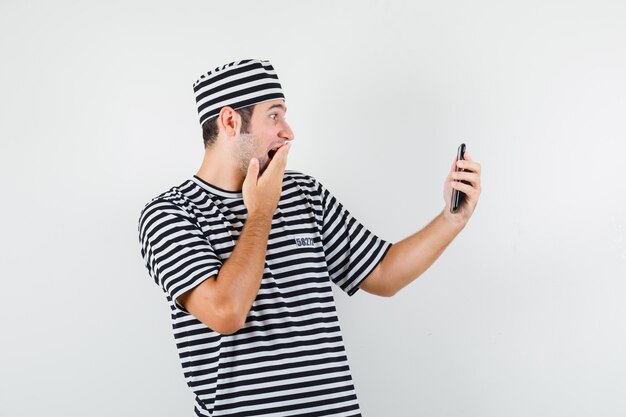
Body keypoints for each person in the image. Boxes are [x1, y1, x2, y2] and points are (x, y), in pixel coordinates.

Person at [137, 58, 482, 417]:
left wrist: (451, 219)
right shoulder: (169, 214)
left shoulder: (303, 193)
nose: (288, 131)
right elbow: (226, 312)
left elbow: (383, 274)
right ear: (229, 122)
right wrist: (261, 213)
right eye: (274, 116)